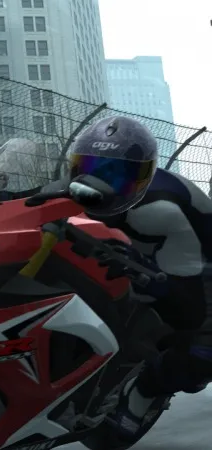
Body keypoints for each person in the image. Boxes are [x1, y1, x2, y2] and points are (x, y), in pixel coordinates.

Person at [66, 115, 212, 436]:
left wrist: (146, 275)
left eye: (116, 175)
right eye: (89, 168)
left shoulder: (163, 214)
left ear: (143, 179)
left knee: (202, 354)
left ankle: (143, 393)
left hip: (198, 268)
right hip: (147, 253)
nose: (99, 183)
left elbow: (188, 307)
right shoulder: (70, 192)